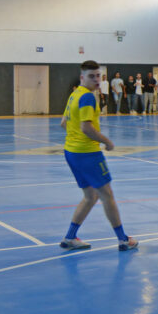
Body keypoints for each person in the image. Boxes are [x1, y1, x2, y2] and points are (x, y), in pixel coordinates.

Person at [58, 60, 138, 251]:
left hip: (71, 152)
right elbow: (86, 128)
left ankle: (70, 237)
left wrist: (75, 138)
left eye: (98, 76)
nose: (96, 80)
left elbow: (63, 122)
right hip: (88, 154)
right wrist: (107, 141)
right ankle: (123, 240)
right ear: (82, 77)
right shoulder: (87, 97)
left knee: (90, 196)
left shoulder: (74, 95)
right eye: (91, 76)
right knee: (107, 195)